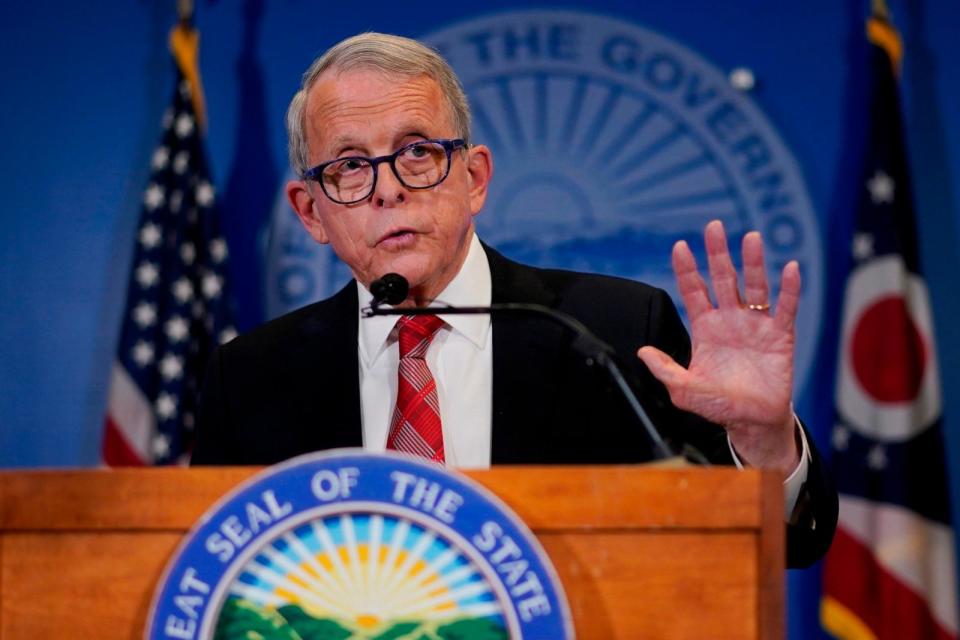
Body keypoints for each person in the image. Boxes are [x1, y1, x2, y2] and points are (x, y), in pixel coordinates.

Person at [192, 32, 836, 568]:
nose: (387, 190)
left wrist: (764, 444)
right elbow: (215, 574)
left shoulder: (613, 333)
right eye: (351, 166)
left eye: (416, 152)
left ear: (473, 178)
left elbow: (781, 547)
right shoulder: (249, 379)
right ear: (311, 211)